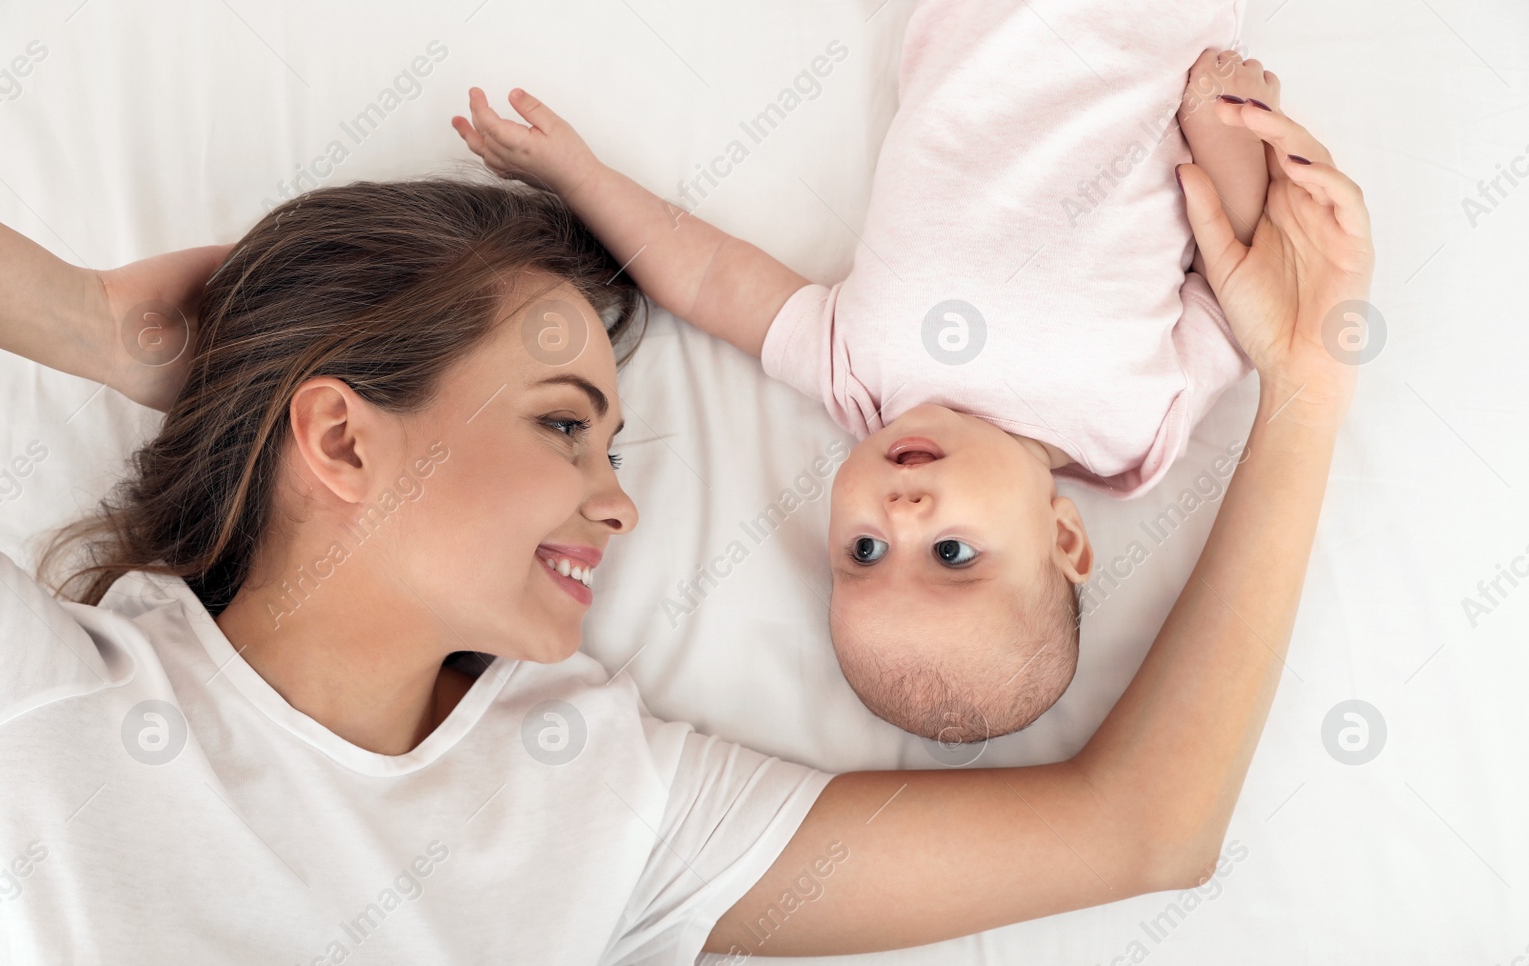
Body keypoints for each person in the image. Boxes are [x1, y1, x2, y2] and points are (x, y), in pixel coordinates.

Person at [0, 84, 1368, 966]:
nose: (619, 499)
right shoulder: (24, 702)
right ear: (341, 434)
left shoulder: (595, 792)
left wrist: (1305, 386)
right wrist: (83, 319)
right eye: (565, 421)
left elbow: (1140, 828)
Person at [453, 3, 1286, 745]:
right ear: (1064, 537)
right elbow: (1240, 286)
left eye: (865, 550)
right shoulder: (1134, 429)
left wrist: (581, 180)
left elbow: (707, 279)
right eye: (952, 552)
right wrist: (1226, 141)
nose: (902, 512)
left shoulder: (858, 377)